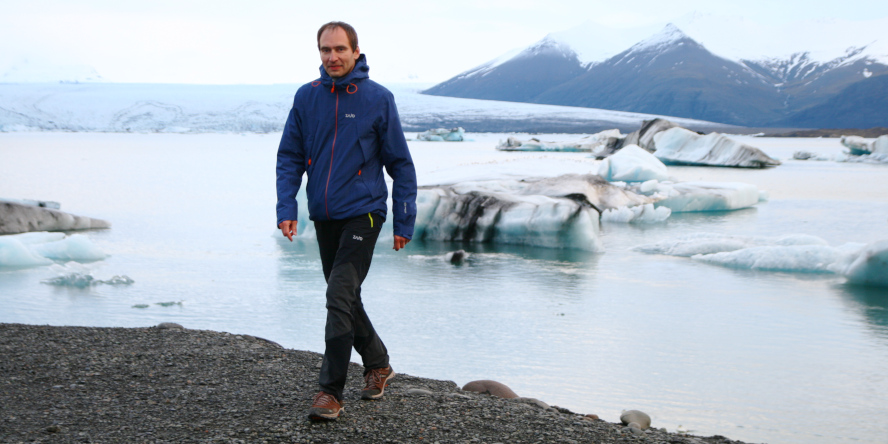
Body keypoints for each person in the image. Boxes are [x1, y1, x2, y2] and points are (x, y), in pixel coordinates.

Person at [275, 21, 417, 421]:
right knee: (346, 298)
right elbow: (289, 157)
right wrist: (287, 208)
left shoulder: (377, 99)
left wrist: (404, 219)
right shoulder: (307, 98)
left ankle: (329, 393)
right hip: (324, 215)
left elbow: (400, 164)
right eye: (325, 50)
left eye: (339, 49)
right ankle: (378, 363)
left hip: (365, 212)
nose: (332, 57)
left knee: (337, 295)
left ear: (356, 52)